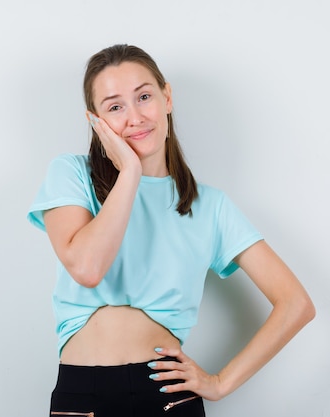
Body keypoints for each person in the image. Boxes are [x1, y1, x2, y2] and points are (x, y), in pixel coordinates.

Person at [28, 44, 315, 417]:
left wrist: (220, 383)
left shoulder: (210, 206)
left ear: (167, 97)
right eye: (115, 107)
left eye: (144, 96)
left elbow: (296, 305)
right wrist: (130, 172)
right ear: (95, 121)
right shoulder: (71, 175)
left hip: (167, 395)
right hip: (84, 393)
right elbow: (87, 267)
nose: (134, 117)